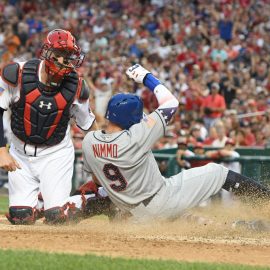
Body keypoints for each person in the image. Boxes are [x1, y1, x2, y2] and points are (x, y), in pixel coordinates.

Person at [82, 64, 270, 222]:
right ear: (130, 120)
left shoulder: (89, 141)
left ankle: (238, 228)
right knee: (218, 172)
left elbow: (97, 181)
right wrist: (147, 77)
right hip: (160, 201)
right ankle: (267, 202)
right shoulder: (136, 136)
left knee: (189, 220)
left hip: (134, 215)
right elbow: (171, 102)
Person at [0, 29, 96, 225]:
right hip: (20, 153)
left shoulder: (77, 87)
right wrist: (1, 150)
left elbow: (88, 126)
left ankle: (97, 198)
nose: (64, 60)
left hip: (56, 154)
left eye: (68, 56)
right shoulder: (17, 74)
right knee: (20, 218)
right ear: (48, 52)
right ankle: (42, 204)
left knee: (57, 219)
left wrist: (100, 160)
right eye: (60, 55)